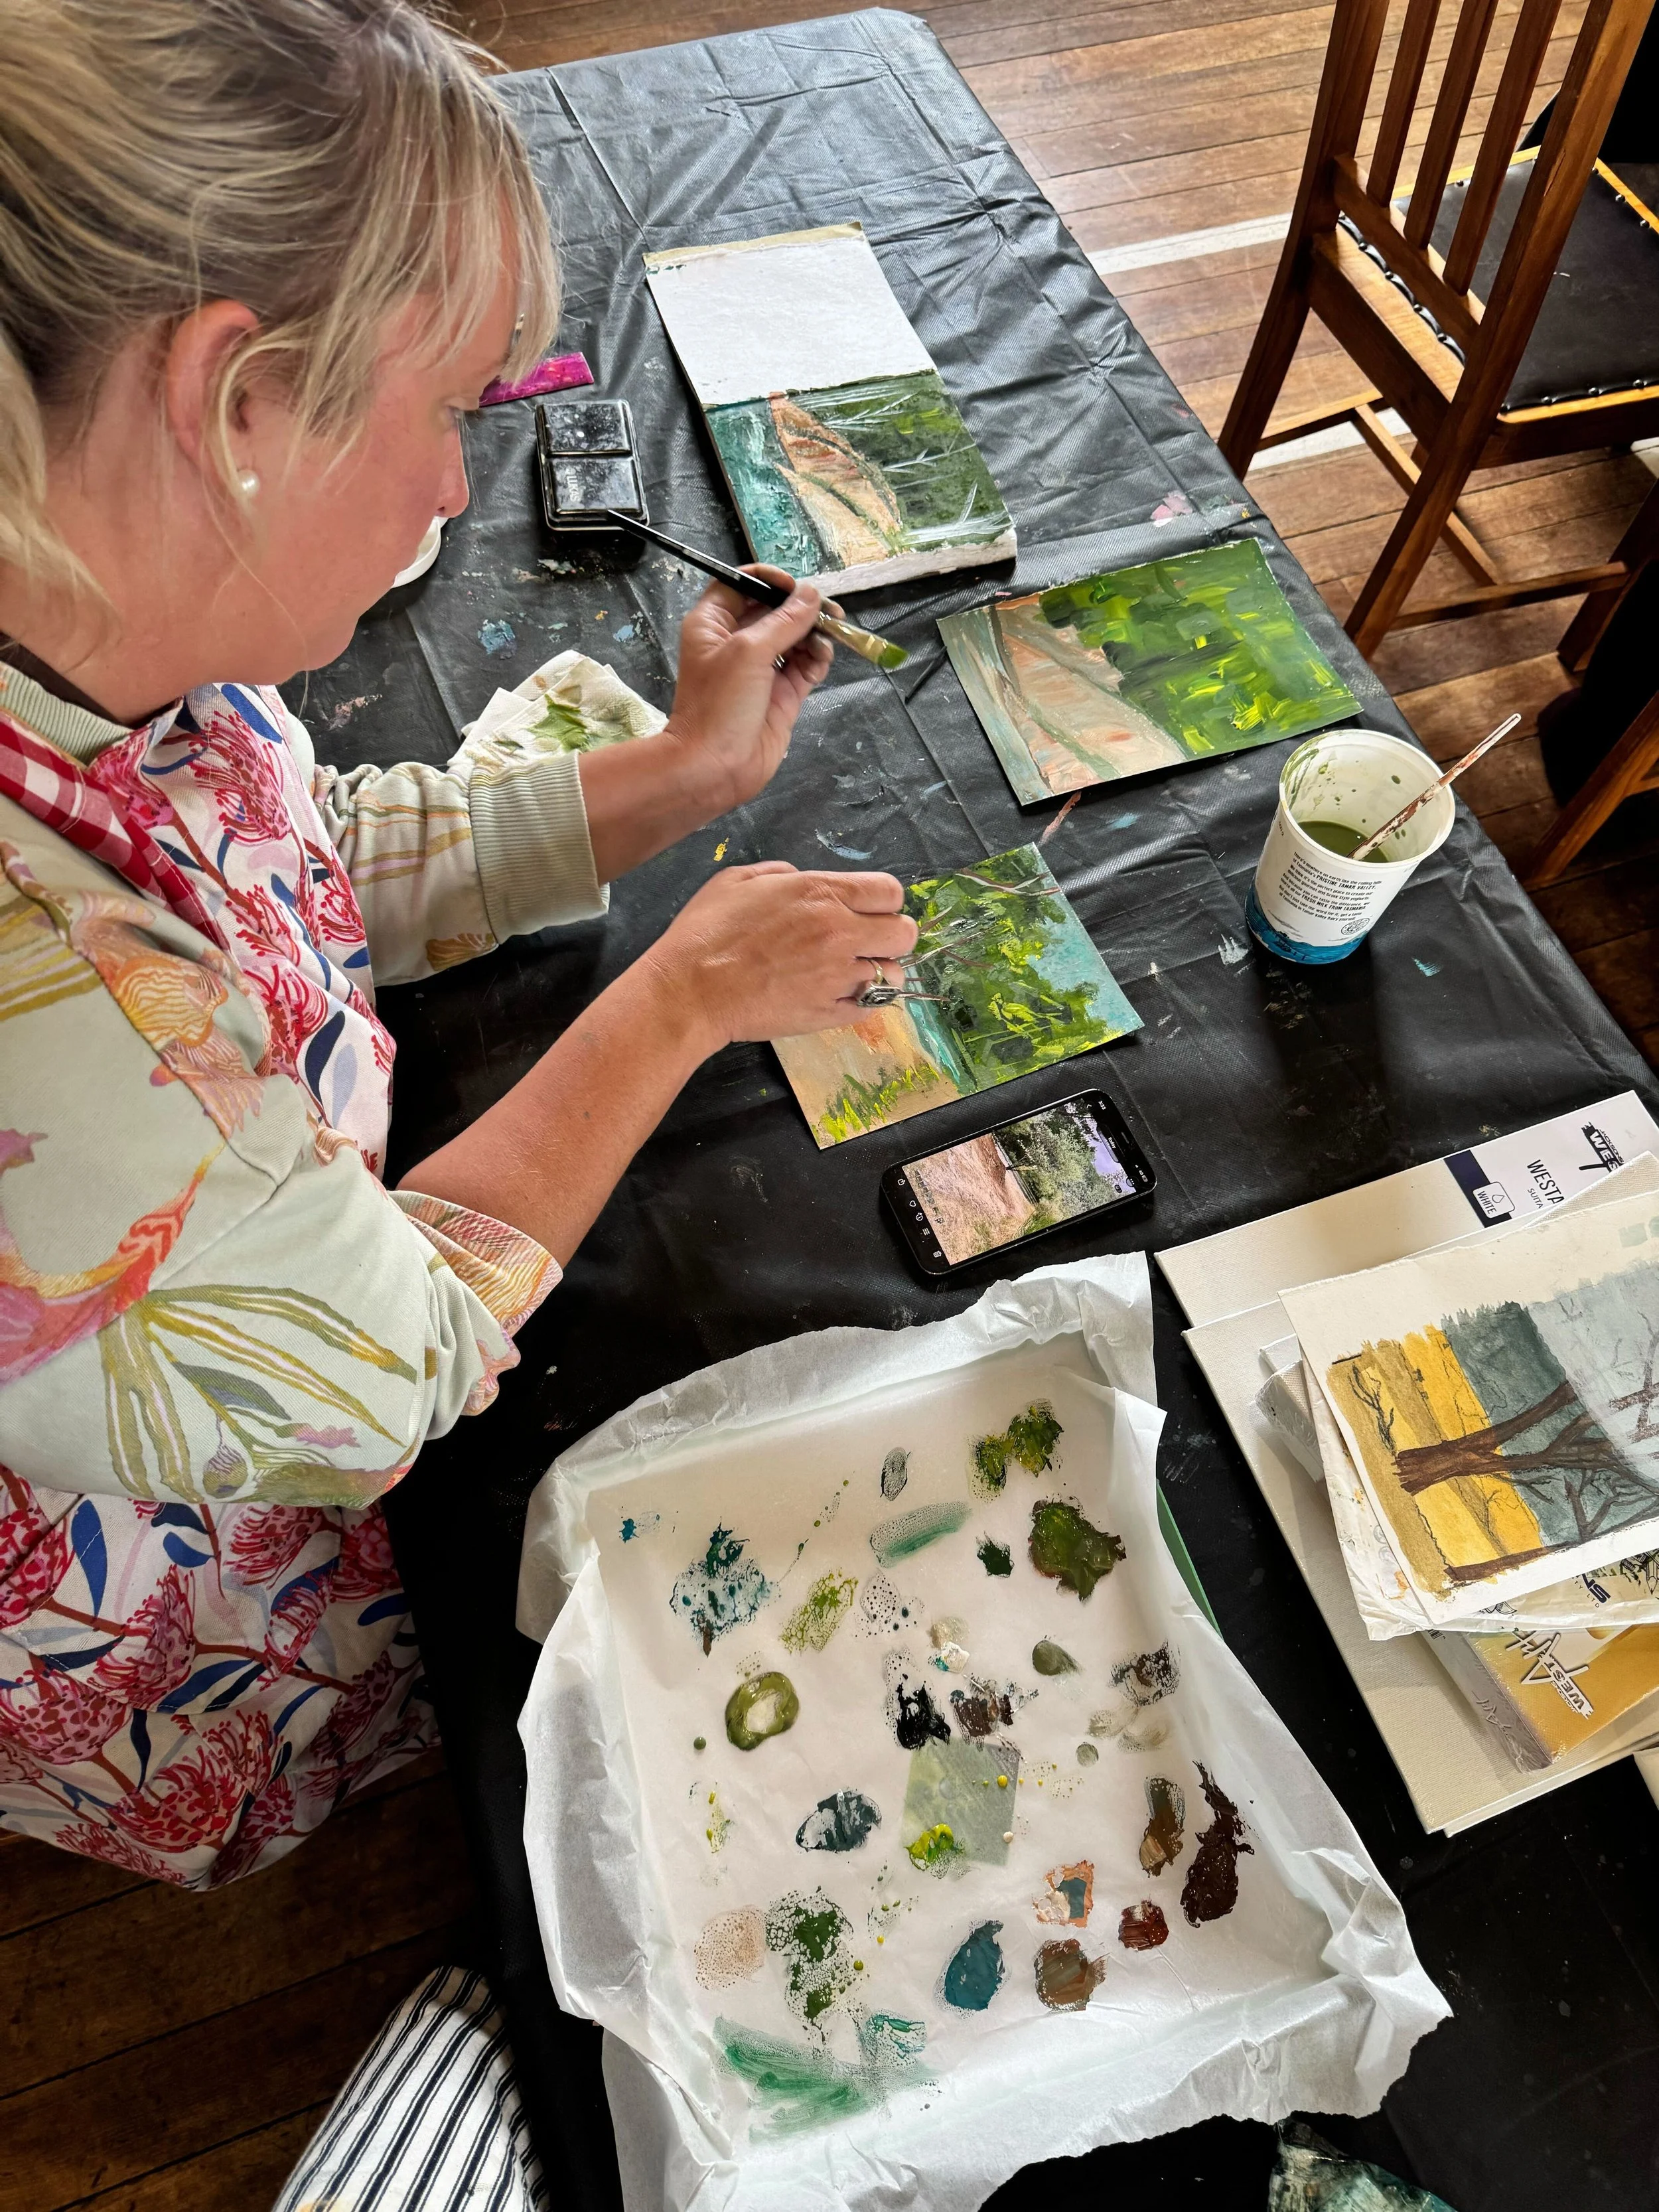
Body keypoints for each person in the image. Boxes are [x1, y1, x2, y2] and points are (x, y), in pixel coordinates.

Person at [0, 0, 916, 1887]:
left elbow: (286, 848)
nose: (448, 488)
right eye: (441, 412)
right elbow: (379, 1367)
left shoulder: (82, 625)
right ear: (229, 399)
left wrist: (658, 781)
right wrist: (682, 995)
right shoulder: (55, 1003)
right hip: (198, 1564)